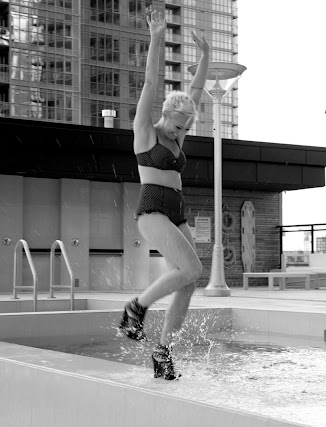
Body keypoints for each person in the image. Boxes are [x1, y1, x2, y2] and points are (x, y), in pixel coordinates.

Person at [118, 9, 210, 380]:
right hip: (153, 210)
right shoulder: (147, 132)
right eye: (177, 125)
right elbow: (150, 83)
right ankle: (135, 308)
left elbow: (195, 93)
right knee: (193, 269)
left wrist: (204, 56)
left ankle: (163, 351)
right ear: (166, 114)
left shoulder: (177, 134)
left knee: (189, 281)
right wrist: (156, 37)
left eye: (186, 128)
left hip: (176, 211)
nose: (180, 132)